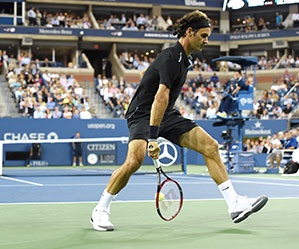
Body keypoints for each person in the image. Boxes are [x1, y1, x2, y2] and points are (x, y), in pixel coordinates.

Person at [90, 10, 268, 232]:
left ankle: (235, 204)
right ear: (189, 32)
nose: (206, 40)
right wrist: (152, 138)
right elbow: (160, 97)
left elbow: (152, 80)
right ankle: (100, 209)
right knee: (135, 160)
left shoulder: (185, 60)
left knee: (210, 146)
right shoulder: (171, 58)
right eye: (203, 35)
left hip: (166, 113)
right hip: (143, 113)